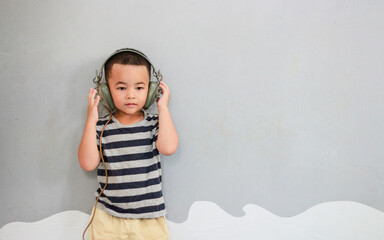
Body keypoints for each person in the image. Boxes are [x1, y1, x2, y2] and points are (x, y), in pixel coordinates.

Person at [78, 49, 178, 240]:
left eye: (139, 88)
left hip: (149, 217)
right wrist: (91, 119)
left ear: (151, 90)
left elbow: (168, 148)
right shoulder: (101, 126)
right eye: (121, 88)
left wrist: (163, 107)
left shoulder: (155, 124)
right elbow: (88, 163)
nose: (131, 95)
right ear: (105, 91)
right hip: (108, 217)